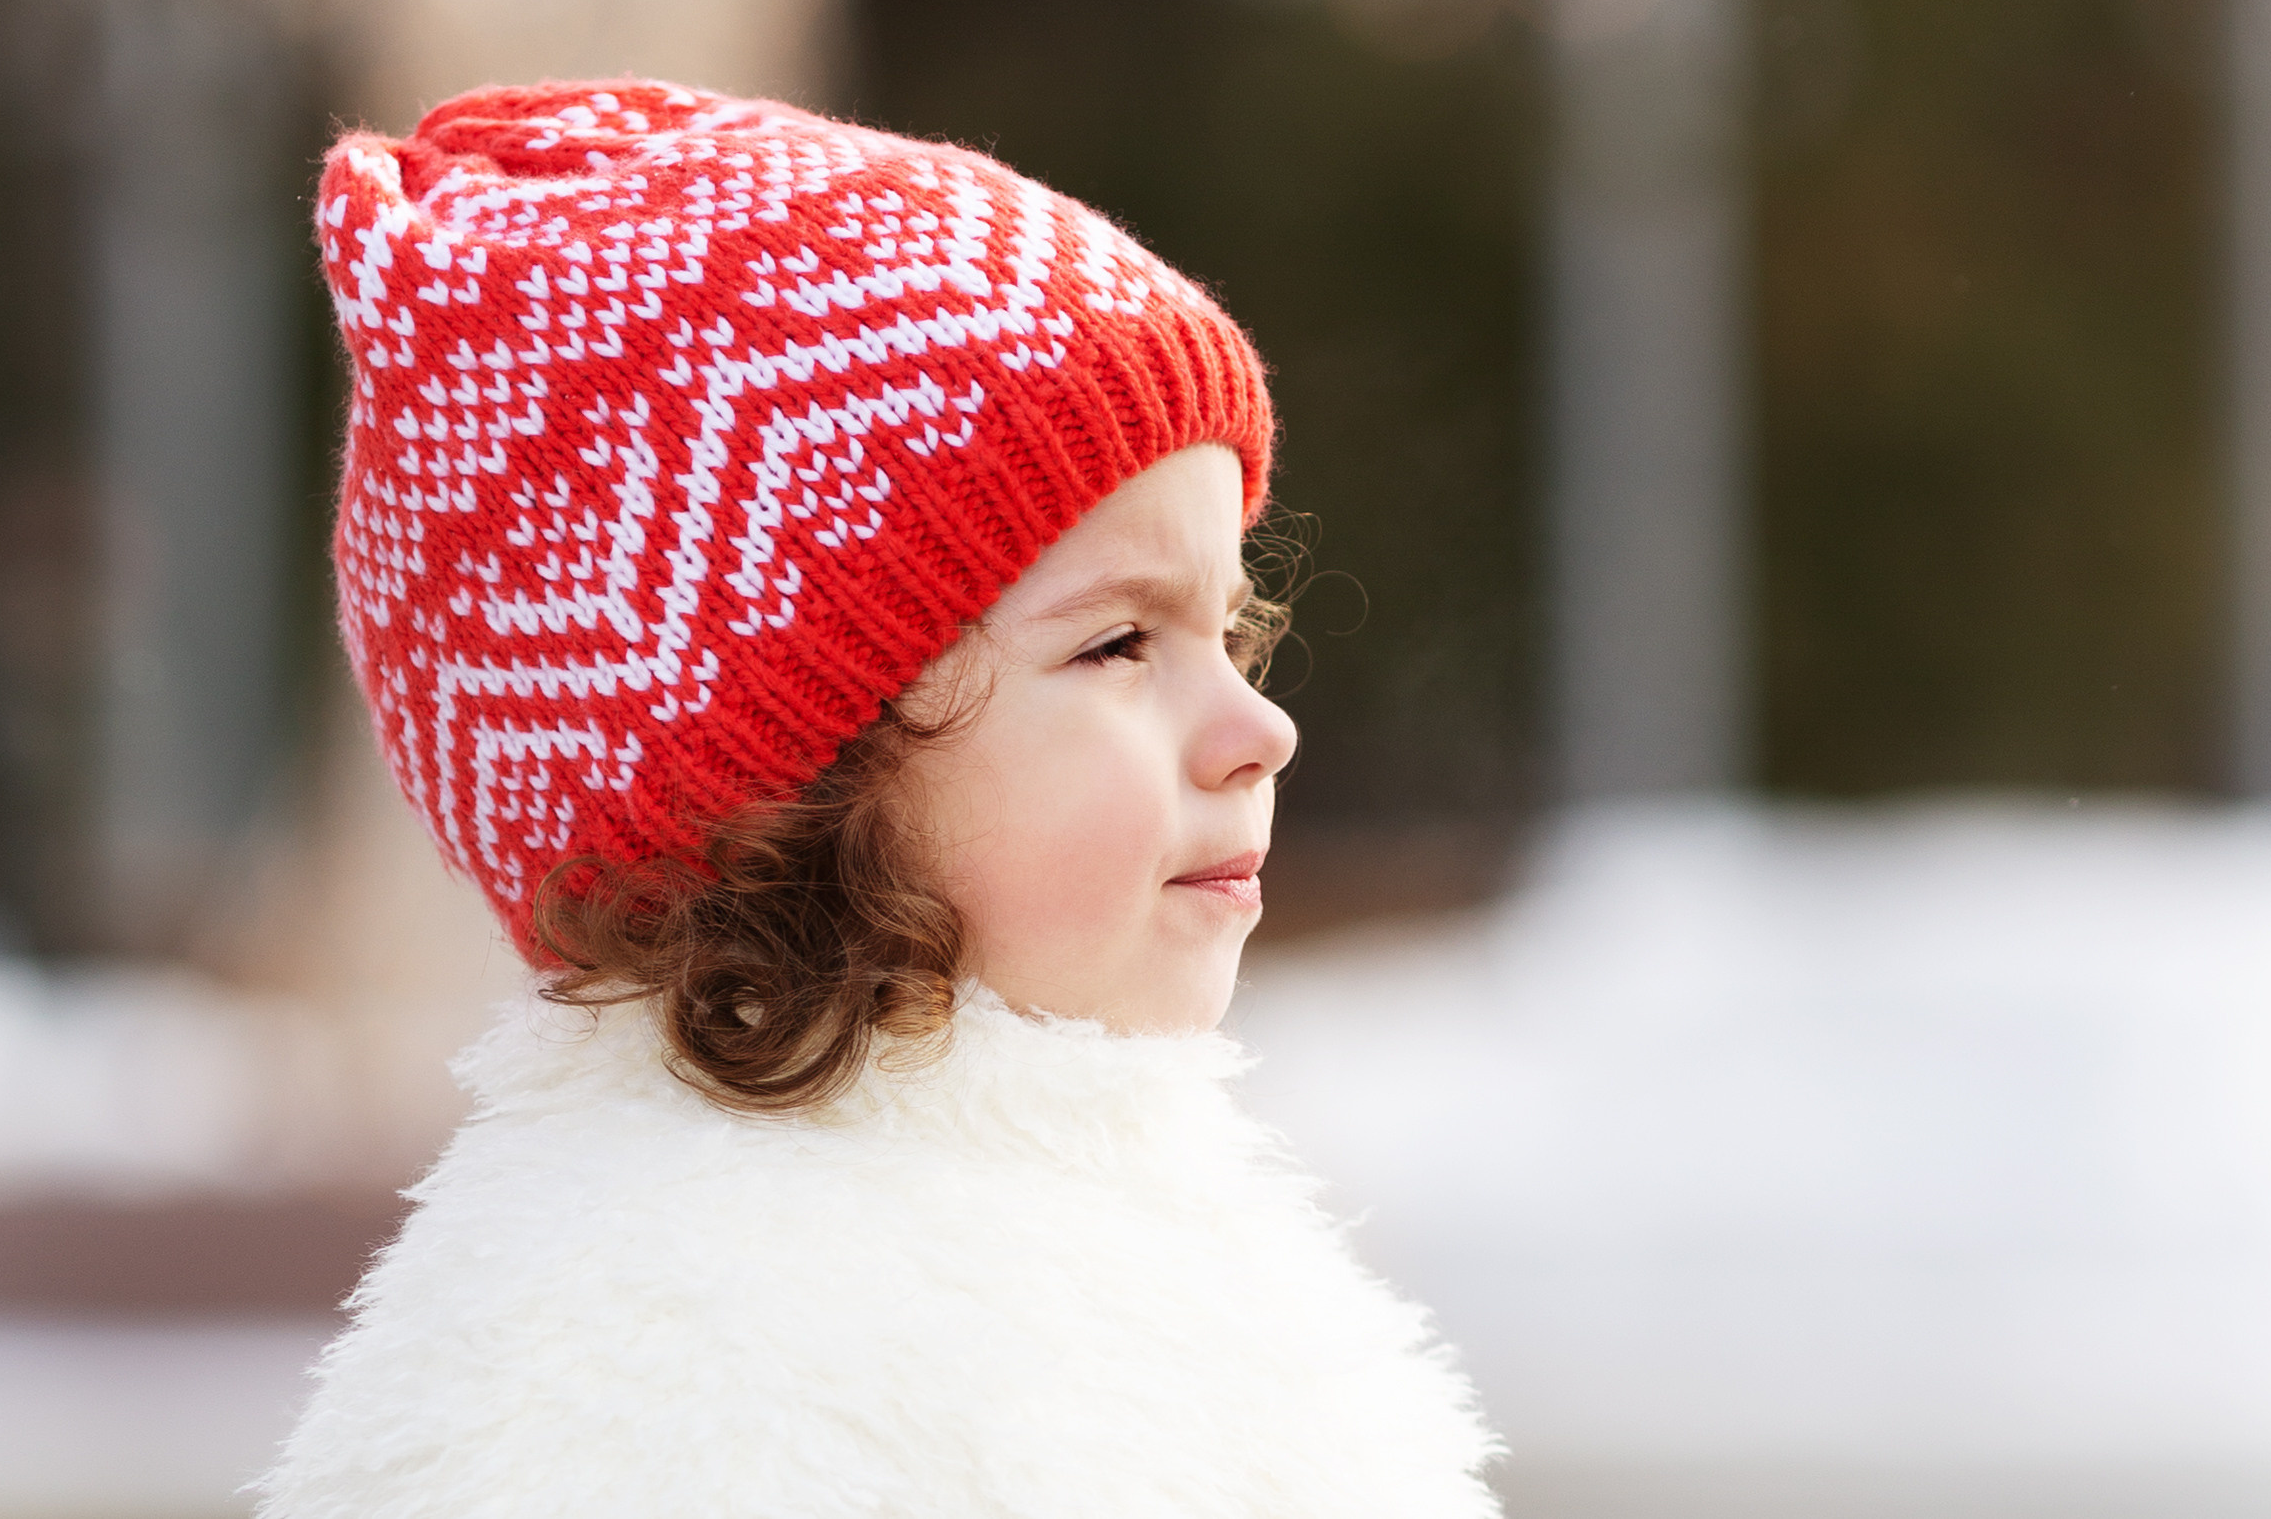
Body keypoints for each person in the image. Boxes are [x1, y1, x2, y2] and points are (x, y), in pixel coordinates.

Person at [257, 79, 1500, 1517]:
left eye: (1231, 630)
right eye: (1118, 643)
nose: (1259, 728)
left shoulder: (1139, 1259)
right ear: (786, 783)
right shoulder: (674, 1389)